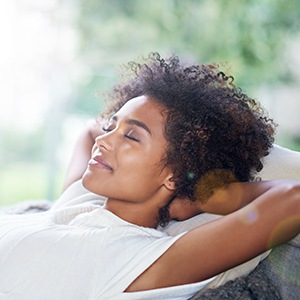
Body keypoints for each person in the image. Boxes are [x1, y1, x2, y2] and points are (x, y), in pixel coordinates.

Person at [0, 53, 299, 300]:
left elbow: (293, 199)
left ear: (174, 175)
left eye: (131, 136)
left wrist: (202, 197)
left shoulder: (139, 259)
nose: (103, 141)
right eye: (111, 128)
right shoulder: (80, 202)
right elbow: (90, 131)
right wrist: (121, 130)